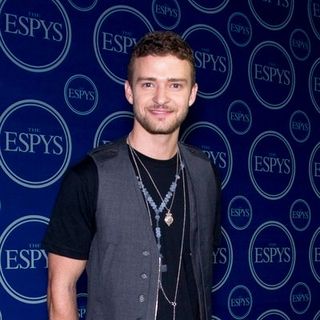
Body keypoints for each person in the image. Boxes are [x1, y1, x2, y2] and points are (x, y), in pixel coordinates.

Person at [43, 30, 220, 320]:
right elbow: (60, 288)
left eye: (175, 85)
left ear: (192, 94)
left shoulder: (206, 175)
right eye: (148, 84)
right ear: (129, 91)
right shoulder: (89, 176)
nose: (161, 98)